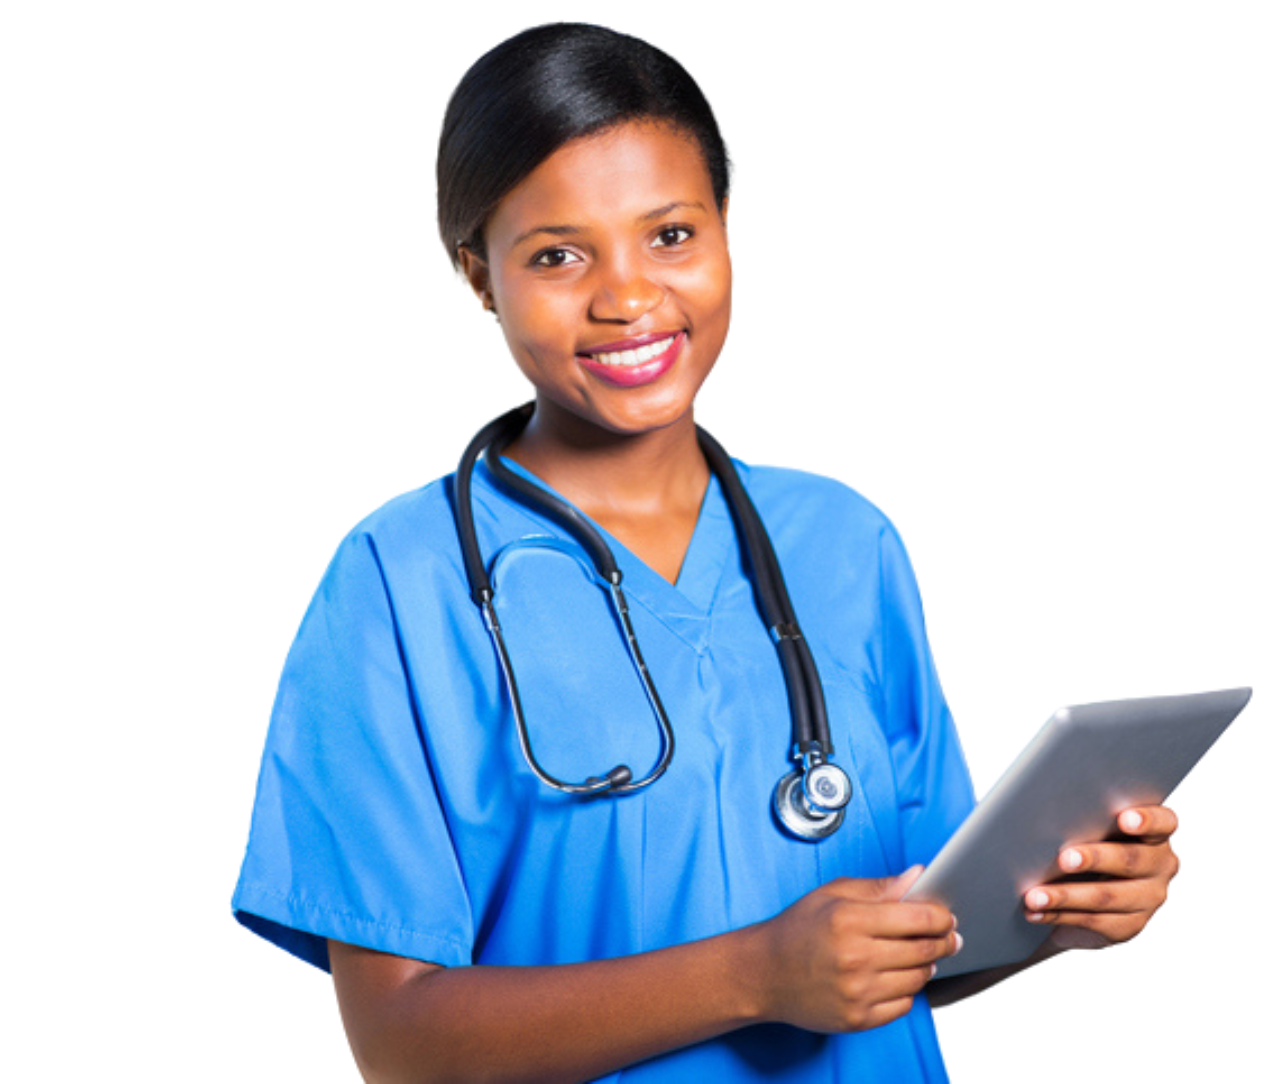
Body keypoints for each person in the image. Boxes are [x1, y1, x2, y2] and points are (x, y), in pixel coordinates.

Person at [232, 23, 1181, 1083]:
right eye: (557, 254)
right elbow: (402, 1045)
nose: (628, 295)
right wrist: (755, 975)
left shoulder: (844, 542)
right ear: (478, 274)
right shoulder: (401, 584)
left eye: (671, 235)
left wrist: (1057, 906)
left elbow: (919, 940)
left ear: (725, 228)